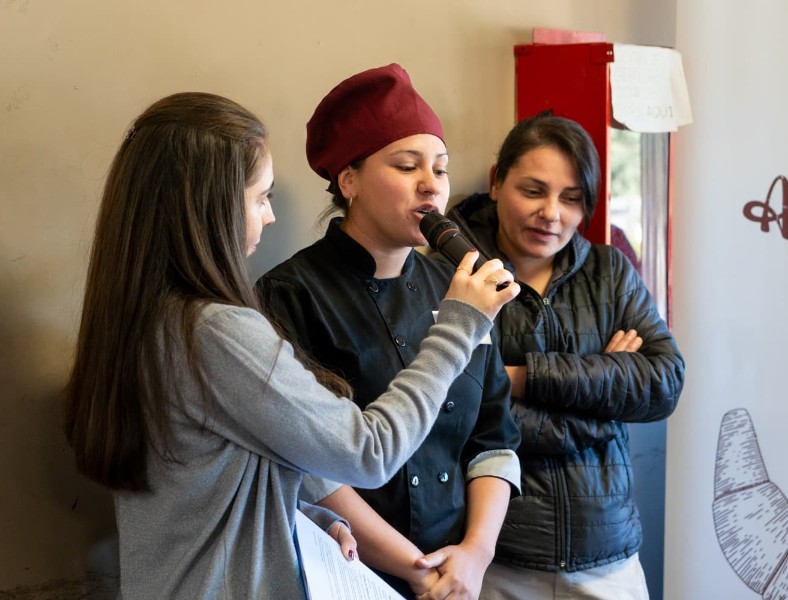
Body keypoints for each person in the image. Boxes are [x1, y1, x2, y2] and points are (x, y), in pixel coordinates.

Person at [63, 91, 520, 600]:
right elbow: (369, 451)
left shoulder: (155, 318)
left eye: (440, 168)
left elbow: (242, 465)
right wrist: (458, 325)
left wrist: (308, 515)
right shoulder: (217, 329)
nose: (270, 217)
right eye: (262, 198)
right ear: (208, 207)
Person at [256, 64, 522, 599]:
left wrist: (474, 555)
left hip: (460, 575)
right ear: (348, 181)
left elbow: (494, 436)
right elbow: (308, 464)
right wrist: (419, 569)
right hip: (350, 573)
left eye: (441, 170)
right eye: (406, 166)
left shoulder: (459, 287)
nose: (431, 185)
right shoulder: (291, 294)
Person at [441, 113, 685, 600]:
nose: (551, 213)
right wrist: (603, 405)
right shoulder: (451, 275)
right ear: (496, 182)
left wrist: (519, 377)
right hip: (496, 560)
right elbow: (457, 409)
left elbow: (663, 381)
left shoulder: (610, 270)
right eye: (533, 191)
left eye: (571, 199)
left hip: (609, 559)